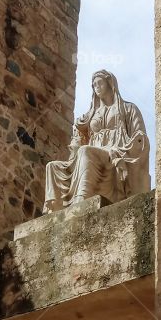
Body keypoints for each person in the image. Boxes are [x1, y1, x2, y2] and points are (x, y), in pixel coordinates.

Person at [44, 70, 151, 213]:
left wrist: (119, 149)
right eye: (94, 85)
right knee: (52, 166)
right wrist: (77, 136)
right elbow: (79, 142)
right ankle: (55, 212)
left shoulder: (128, 109)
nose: (97, 87)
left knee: (86, 151)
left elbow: (140, 138)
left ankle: (81, 200)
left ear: (109, 83)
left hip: (114, 152)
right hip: (90, 154)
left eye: (99, 83)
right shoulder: (90, 115)